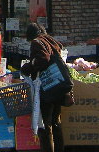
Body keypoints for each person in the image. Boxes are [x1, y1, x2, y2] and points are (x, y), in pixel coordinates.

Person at [20, 22, 65, 152]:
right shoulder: (51, 41)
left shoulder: (36, 42)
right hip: (58, 85)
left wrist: (28, 66)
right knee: (56, 122)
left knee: (45, 125)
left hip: (47, 87)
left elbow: (43, 59)